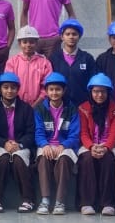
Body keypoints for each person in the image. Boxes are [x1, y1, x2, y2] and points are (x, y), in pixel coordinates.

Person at [0, 71, 36, 213]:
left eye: (13, 87)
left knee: (19, 159)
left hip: (21, 145)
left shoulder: (26, 109)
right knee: (3, 158)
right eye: (5, 87)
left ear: (18, 89)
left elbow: (31, 133)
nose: (9, 91)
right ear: (0, 89)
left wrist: (19, 145)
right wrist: (4, 143)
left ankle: (28, 199)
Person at [34, 72, 80, 215]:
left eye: (58, 89)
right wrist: (45, 144)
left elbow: (74, 134)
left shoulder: (71, 109)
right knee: (43, 158)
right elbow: (39, 132)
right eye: (51, 89)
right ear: (46, 91)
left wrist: (63, 145)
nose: (54, 93)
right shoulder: (40, 109)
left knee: (64, 159)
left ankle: (60, 201)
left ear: (64, 90)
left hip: (65, 145)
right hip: (47, 144)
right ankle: (45, 200)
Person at [76, 72, 115, 216]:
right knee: (87, 160)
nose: (99, 95)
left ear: (108, 92)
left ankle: (108, 203)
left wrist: (106, 147)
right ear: (91, 92)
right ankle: (86, 202)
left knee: (108, 160)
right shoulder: (83, 108)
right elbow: (83, 133)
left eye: (103, 91)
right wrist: (91, 147)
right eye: (96, 91)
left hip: (108, 146)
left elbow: (114, 133)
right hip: (89, 145)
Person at [50, 19, 97, 109]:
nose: (71, 37)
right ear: (62, 37)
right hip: (60, 106)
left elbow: (93, 84)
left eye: (74, 34)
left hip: (83, 106)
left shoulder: (87, 58)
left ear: (79, 36)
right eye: (67, 34)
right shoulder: (54, 58)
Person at [4, 26, 52, 107]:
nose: (28, 45)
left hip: (39, 106)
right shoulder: (12, 62)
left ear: (36, 43)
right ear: (19, 43)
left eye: (31, 42)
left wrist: (36, 105)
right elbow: (9, 85)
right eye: (25, 42)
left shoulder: (45, 63)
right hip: (17, 105)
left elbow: (47, 86)